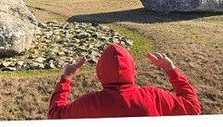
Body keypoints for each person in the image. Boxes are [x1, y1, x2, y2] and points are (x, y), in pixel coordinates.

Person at [47, 44, 201, 118]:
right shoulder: (154, 97)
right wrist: (171, 70)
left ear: (99, 73)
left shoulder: (89, 103)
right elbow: (193, 107)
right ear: (132, 70)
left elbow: (55, 115)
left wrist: (66, 77)